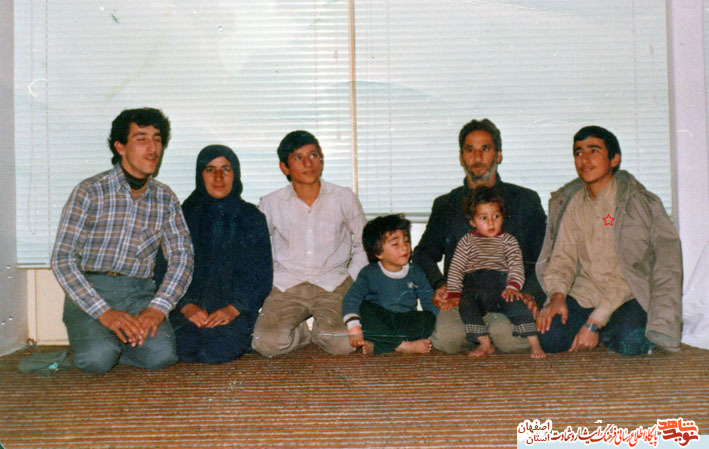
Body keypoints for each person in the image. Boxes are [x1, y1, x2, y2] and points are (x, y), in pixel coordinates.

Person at [51, 108, 194, 373]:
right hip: (92, 291)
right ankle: (106, 343)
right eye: (142, 139)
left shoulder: (165, 198)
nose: (152, 148)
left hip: (139, 294)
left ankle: (119, 342)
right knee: (97, 360)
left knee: (162, 356)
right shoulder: (89, 191)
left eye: (157, 139)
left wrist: (158, 308)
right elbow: (62, 258)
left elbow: (182, 258)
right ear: (120, 147)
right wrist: (103, 313)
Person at [535, 126, 682, 354]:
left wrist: (595, 322)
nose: (584, 160)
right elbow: (563, 257)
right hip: (587, 293)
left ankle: (605, 330)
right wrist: (557, 296)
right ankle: (605, 331)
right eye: (578, 152)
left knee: (629, 343)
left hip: (628, 294)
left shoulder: (636, 203)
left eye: (593, 151)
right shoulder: (573, 203)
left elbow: (631, 270)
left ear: (614, 159)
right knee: (549, 337)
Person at [412, 118, 547, 354]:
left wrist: (530, 293)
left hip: (508, 296)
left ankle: (487, 334)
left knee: (511, 341)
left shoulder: (525, 200)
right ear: (461, 157)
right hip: (463, 299)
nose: (477, 157)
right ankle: (478, 333)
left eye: (485, 149)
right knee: (446, 341)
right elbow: (423, 253)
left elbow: (545, 254)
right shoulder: (446, 204)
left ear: (498, 155)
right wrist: (440, 285)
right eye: (470, 150)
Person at [252, 130, 367, 356]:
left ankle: (323, 331)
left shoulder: (343, 197)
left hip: (333, 282)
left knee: (344, 344)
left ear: (321, 160)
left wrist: (352, 278)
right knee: (266, 344)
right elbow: (259, 250)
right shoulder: (271, 203)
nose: (308, 163)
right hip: (287, 284)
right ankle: (302, 332)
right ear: (284, 167)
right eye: (298, 157)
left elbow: (364, 243)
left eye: (313, 155)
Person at [155, 145, 273, 363]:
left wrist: (234, 308)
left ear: (235, 174)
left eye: (226, 169)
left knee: (217, 351)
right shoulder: (182, 216)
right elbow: (164, 267)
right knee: (183, 348)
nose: (219, 177)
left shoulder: (251, 217)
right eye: (210, 169)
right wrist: (186, 305)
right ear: (200, 175)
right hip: (189, 308)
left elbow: (262, 274)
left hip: (234, 309)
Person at [447, 187, 544, 358]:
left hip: (501, 287)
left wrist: (513, 287)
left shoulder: (508, 240)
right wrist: (454, 294)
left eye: (496, 216)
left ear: (503, 217)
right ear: (473, 222)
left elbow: (516, 265)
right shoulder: (467, 241)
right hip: (474, 287)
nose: (491, 223)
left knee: (518, 306)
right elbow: (456, 268)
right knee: (466, 306)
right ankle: (485, 343)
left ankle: (534, 343)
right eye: (483, 218)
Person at [342, 214, 437, 355]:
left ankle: (381, 346)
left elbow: (429, 299)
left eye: (406, 241)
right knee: (364, 308)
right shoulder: (369, 273)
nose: (404, 247)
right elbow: (351, 299)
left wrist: (436, 321)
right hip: (381, 322)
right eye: (395, 244)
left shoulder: (416, 271)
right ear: (378, 253)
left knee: (428, 318)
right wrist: (354, 327)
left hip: (406, 320)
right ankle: (403, 346)